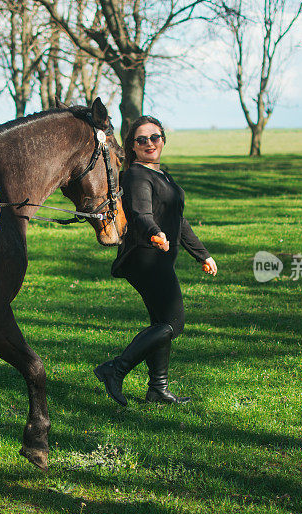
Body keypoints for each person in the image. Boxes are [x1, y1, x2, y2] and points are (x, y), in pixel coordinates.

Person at [94, 116, 218, 405]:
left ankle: (157, 389)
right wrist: (154, 232)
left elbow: (179, 220)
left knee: (160, 323)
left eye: (155, 137)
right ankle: (115, 369)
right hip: (146, 257)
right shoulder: (137, 175)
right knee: (174, 323)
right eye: (141, 140)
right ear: (132, 147)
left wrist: (203, 254)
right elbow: (140, 212)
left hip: (158, 257)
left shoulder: (162, 175)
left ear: (163, 139)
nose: (149, 143)